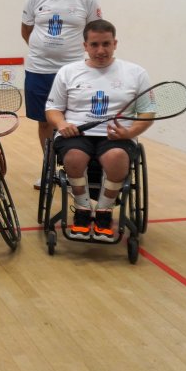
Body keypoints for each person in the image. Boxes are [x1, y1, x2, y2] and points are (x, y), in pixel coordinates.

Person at [45, 20, 152, 241]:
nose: (100, 50)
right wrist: (62, 124)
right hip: (77, 134)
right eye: (94, 45)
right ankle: (82, 209)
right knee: (74, 156)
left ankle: (104, 211)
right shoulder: (68, 72)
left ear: (115, 43)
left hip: (118, 137)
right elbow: (53, 108)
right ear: (85, 45)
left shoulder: (136, 73)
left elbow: (147, 113)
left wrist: (130, 133)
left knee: (116, 156)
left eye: (106, 44)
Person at [21, 0, 102, 188]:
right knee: (44, 122)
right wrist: (43, 51)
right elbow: (26, 29)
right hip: (38, 69)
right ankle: (48, 168)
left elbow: (95, 31)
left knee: (74, 120)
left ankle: (74, 168)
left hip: (74, 72)